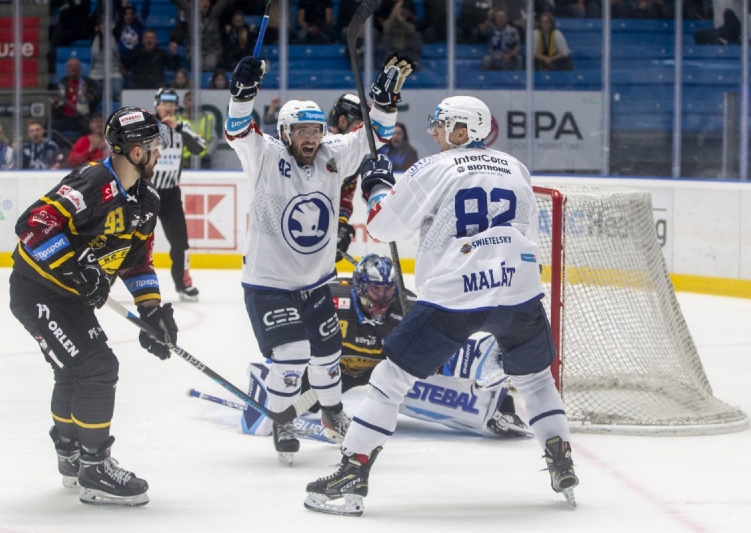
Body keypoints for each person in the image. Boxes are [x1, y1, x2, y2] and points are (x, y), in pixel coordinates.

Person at [304, 95, 579, 516]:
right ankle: (561, 462)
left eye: (442, 124)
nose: (434, 132)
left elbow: (382, 225)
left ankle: (352, 471)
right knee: (537, 379)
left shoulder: (434, 167)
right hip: (518, 288)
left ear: (465, 130)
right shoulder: (516, 167)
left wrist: (376, 185)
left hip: (458, 293)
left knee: (389, 378)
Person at [224, 53, 413, 463]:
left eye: (316, 130)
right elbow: (237, 130)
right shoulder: (265, 157)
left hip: (315, 283)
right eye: (301, 131)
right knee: (291, 355)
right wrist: (242, 95)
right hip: (269, 285)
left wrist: (385, 98)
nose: (310, 138)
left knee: (329, 356)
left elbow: (377, 133)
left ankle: (332, 413)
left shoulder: (332, 154)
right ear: (285, 132)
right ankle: (283, 421)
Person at [8, 106, 177, 507]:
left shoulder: (147, 200)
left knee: (74, 372)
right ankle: (95, 467)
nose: (159, 154)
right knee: (98, 366)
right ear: (136, 151)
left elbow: (137, 261)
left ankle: (71, 453)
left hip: (70, 298)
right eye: (154, 146)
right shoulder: (94, 181)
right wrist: (72, 270)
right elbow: (33, 223)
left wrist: (151, 310)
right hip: (39, 292)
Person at [242, 254, 531, 440]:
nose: (383, 298)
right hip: (330, 375)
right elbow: (288, 331)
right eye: (375, 290)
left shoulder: (403, 307)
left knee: (415, 384)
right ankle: (263, 380)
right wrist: (279, 363)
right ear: (358, 288)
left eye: (388, 290)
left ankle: (487, 409)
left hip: (378, 370)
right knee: (294, 409)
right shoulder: (331, 299)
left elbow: (448, 340)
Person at [152, 88, 206, 301]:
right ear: (156, 104)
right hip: (145, 192)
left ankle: (183, 284)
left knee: (180, 242)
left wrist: (181, 128)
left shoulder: (182, 127)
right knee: (129, 239)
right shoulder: (146, 125)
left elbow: (199, 147)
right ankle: (106, 279)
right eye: (164, 102)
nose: (168, 107)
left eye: (172, 103)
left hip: (171, 194)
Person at [328, 93, 366, 264]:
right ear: (342, 121)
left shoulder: (354, 157)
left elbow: (345, 198)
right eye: (358, 127)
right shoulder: (316, 148)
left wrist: (341, 226)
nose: (362, 135)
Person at [51, 58, 101, 141]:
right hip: (64, 117)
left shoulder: (89, 83)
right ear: (67, 69)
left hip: (81, 116)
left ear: (80, 69)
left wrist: (86, 94)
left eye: (76, 66)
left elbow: (96, 99)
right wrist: (54, 101)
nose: (73, 68)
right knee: (49, 127)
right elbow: (54, 102)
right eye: (71, 66)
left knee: (89, 128)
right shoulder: (61, 83)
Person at [179, 90, 215, 168]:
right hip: (183, 160)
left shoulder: (206, 118)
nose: (192, 103)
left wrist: (207, 154)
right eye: (189, 100)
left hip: (203, 159)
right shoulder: (178, 119)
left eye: (194, 100)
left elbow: (214, 138)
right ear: (184, 103)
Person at [90, 22, 124, 103]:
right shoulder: (94, 38)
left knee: (117, 93)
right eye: (101, 24)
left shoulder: (115, 36)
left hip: (113, 72)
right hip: (96, 73)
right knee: (94, 94)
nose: (103, 27)